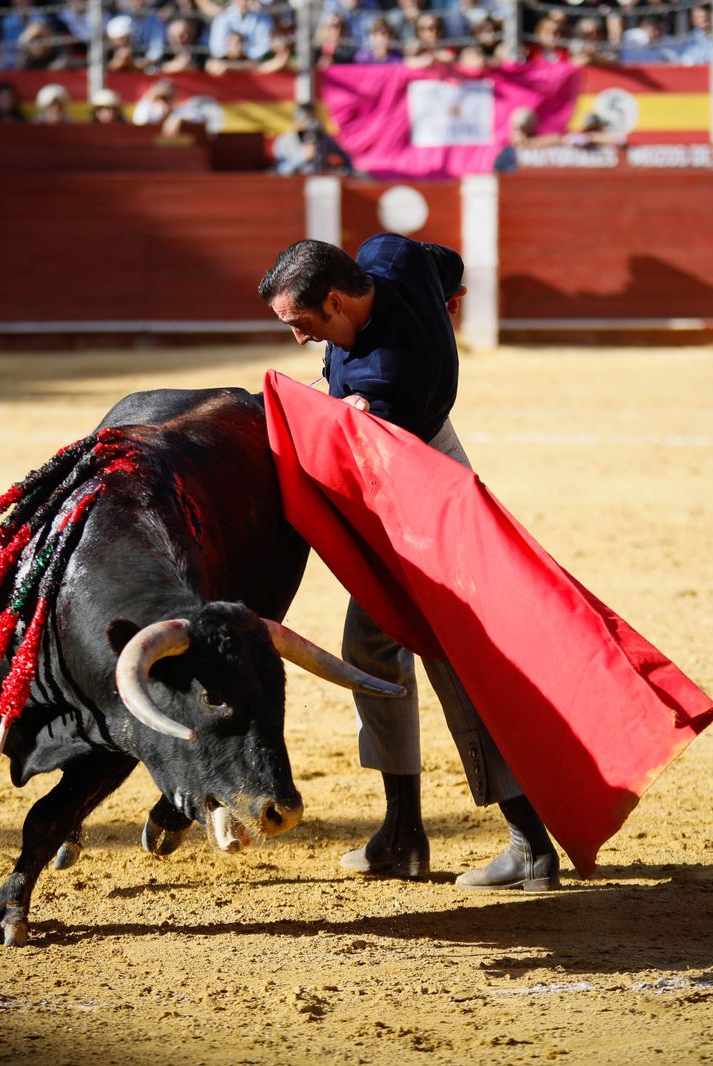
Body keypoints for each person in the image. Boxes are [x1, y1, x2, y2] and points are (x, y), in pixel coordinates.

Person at [258, 236, 563, 893]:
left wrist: (339, 415)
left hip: (415, 495)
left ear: (335, 300)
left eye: (300, 323)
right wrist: (443, 301)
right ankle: (402, 834)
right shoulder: (391, 256)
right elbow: (448, 263)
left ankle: (529, 843)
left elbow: (352, 459)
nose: (298, 338)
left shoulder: (387, 379)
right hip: (430, 456)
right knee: (370, 648)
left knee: (451, 656)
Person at [272, 103, 354, 175]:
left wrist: (345, 171)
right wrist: (302, 157)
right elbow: (280, 170)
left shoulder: (324, 139)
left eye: (314, 119)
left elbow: (347, 158)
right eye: (307, 119)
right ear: (297, 121)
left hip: (320, 185)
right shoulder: (285, 141)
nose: (312, 123)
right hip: (293, 186)